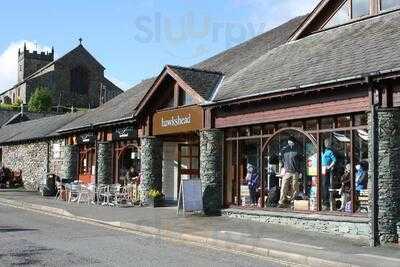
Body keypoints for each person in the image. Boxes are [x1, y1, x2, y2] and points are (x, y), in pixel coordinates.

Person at [278, 137, 301, 208]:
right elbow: (281, 160)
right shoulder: (284, 150)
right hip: (287, 171)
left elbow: (301, 161)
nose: (289, 142)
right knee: (283, 186)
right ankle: (281, 201)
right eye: (289, 141)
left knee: (294, 187)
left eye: (291, 141)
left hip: (295, 171)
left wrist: (300, 171)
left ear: (293, 142)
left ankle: (292, 201)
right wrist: (281, 169)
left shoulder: (297, 150)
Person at [321, 139, 336, 211]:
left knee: (325, 184)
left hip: (326, 169)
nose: (326, 144)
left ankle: (326, 201)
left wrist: (329, 166)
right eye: (325, 143)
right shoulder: (325, 151)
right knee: (323, 184)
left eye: (327, 143)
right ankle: (324, 200)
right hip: (322, 169)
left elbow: (334, 160)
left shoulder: (330, 151)